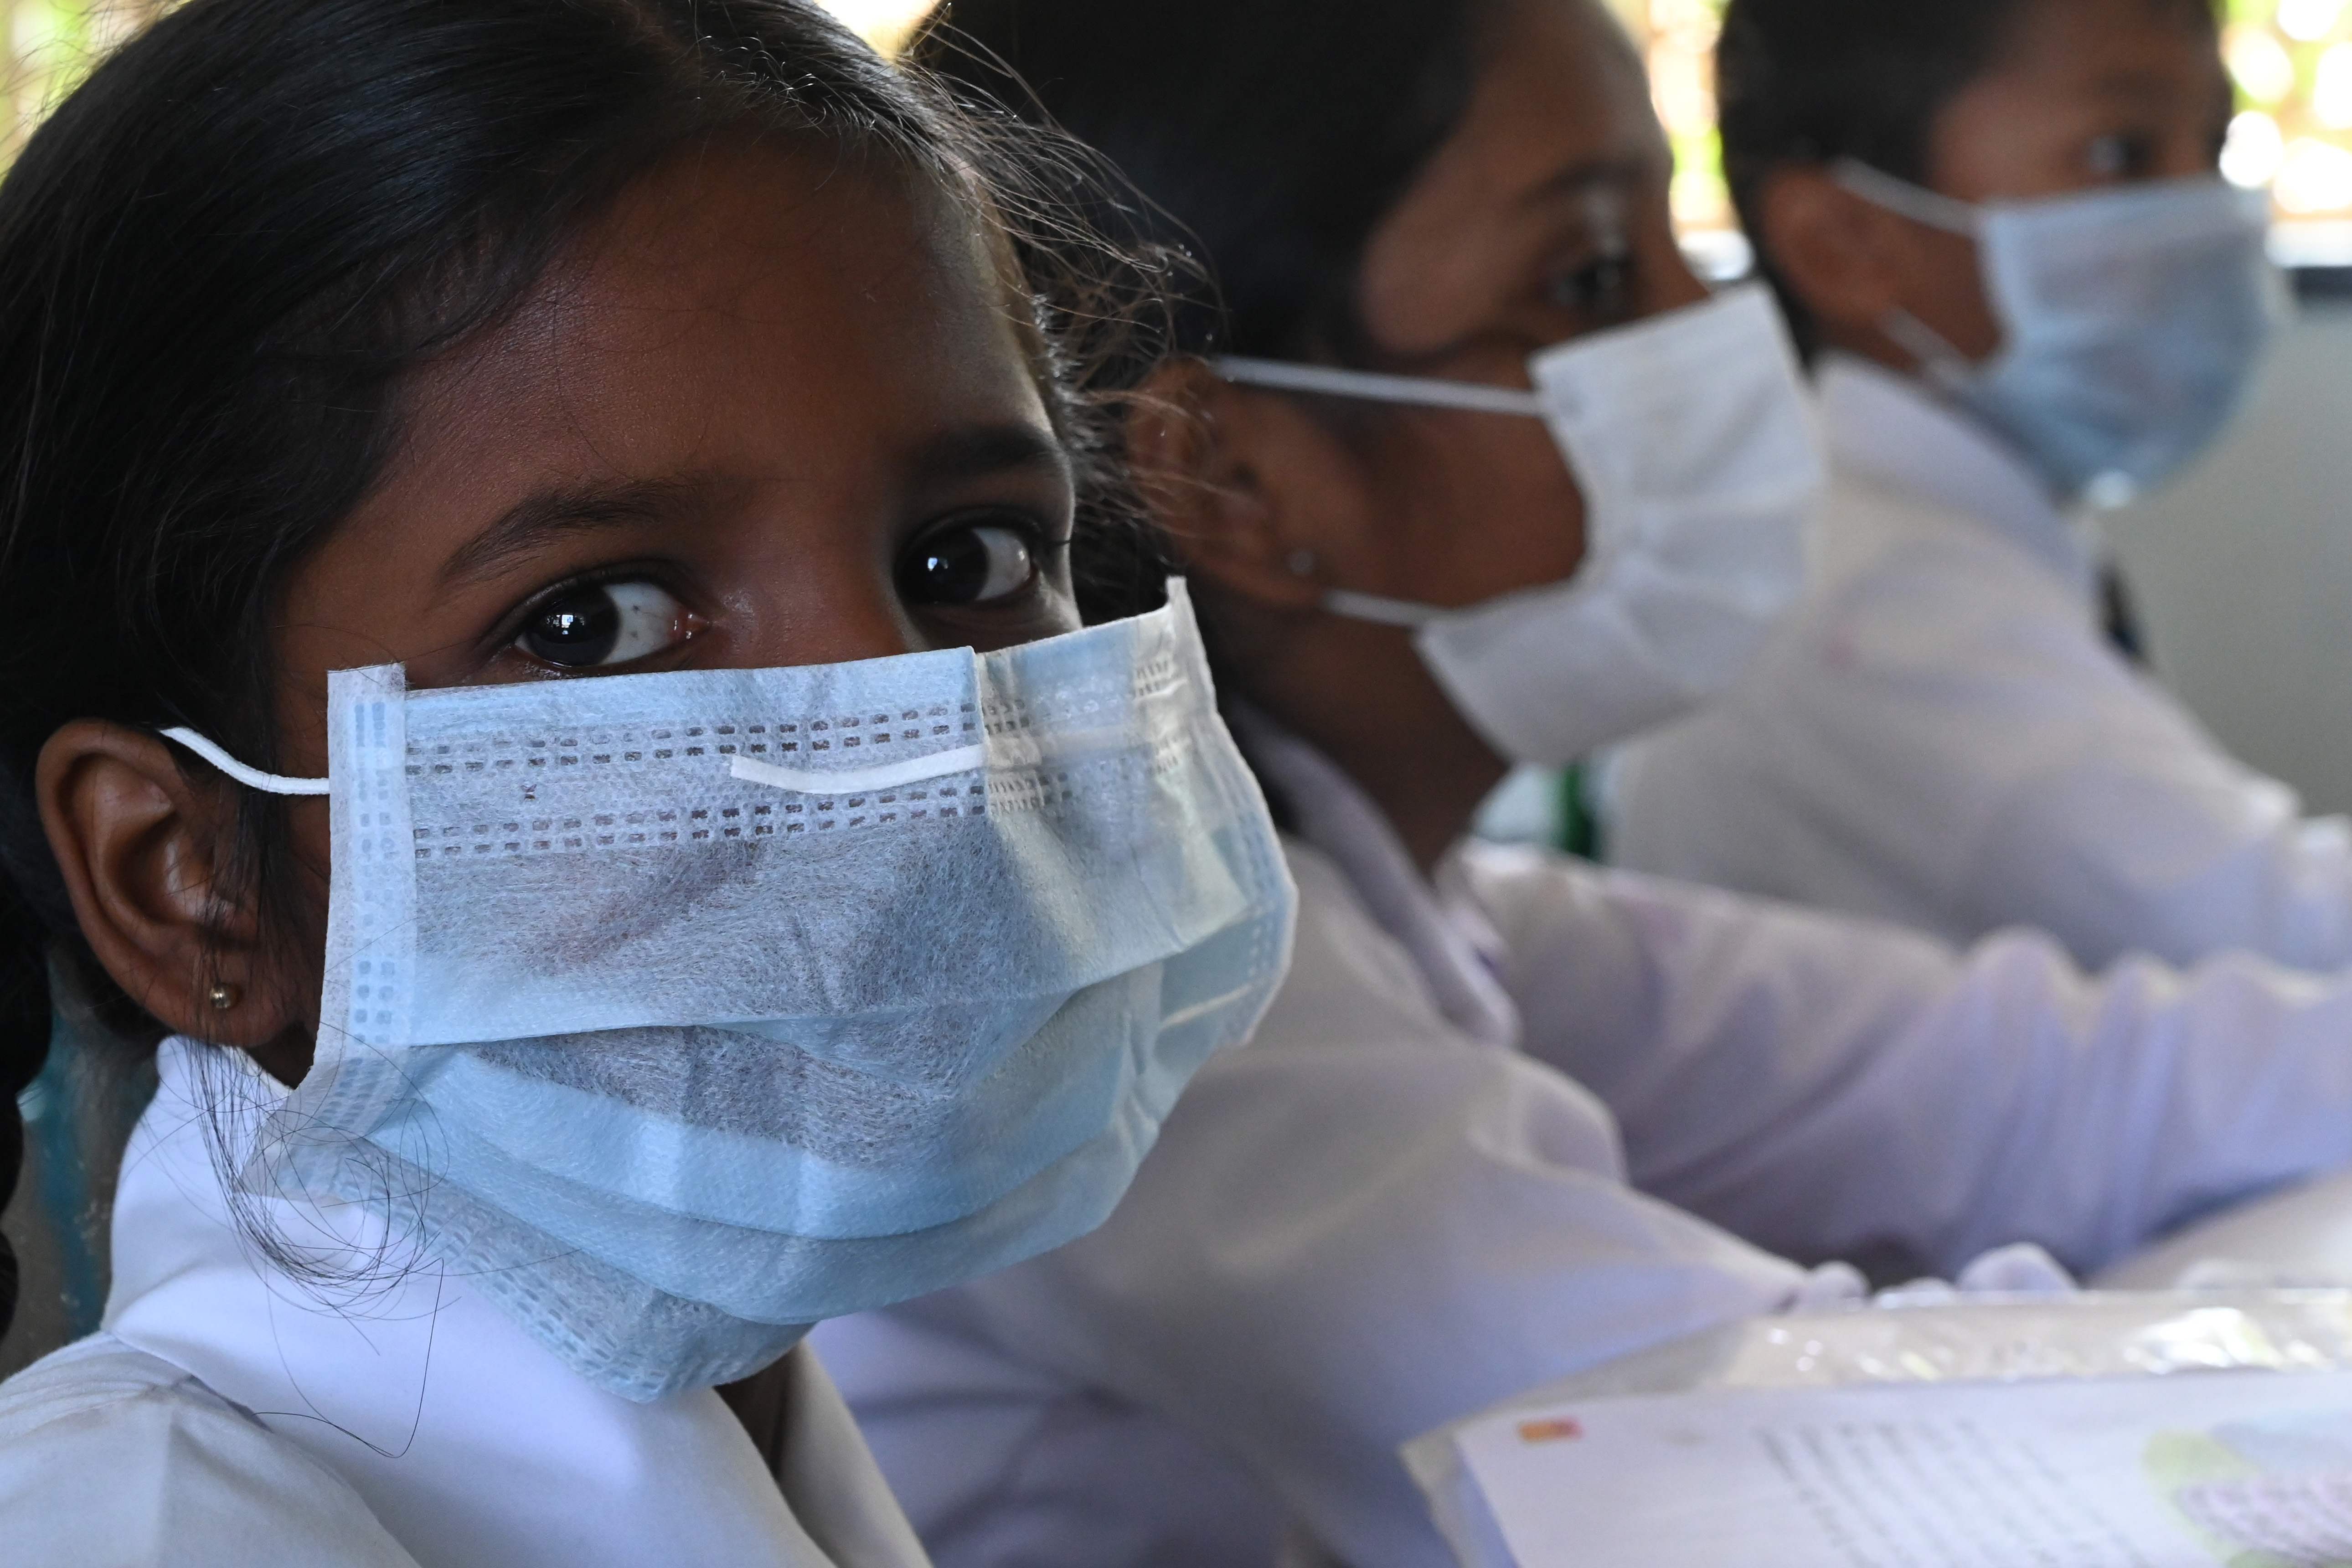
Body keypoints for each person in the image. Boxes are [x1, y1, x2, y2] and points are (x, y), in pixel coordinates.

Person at [810, 2, 2352, 1565]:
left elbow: (2045, 1081)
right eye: (1594, 280)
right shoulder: (1151, 1030)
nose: (1718, 333)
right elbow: (1795, 1470)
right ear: (1233, 473)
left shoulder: (1425, 906)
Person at [0, 1, 1295, 1563]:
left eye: (971, 559)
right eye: (595, 624)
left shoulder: (755, 1421)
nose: (910, 773)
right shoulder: (148, 1533)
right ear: (186, 876)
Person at [1601, 0, 2346, 974]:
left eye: (2215, 145)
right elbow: (2289, 939)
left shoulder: (1936, 534)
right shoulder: (1868, 613)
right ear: (1845, 242)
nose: (2205, 212)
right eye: (2122, 154)